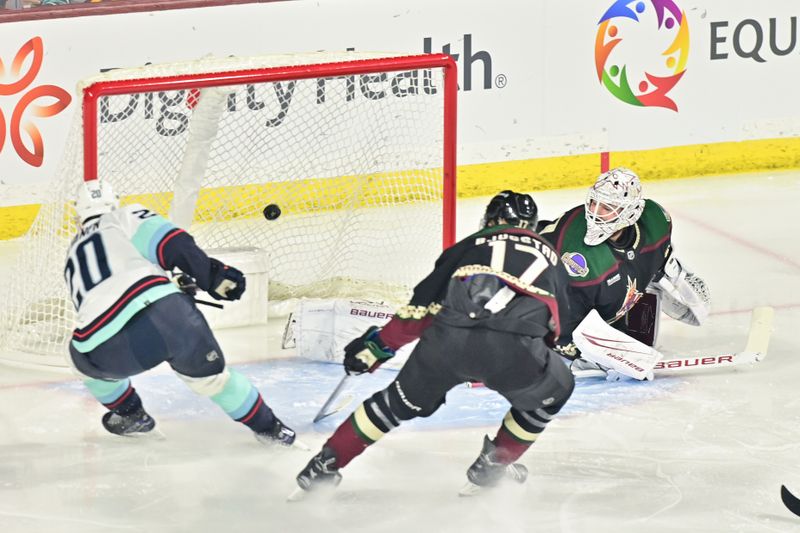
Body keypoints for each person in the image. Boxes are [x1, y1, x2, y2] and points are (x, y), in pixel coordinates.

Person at [292, 190, 575, 496]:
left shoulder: (467, 246)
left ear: (490, 221)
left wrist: (377, 346)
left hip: (448, 342)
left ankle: (324, 465)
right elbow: (557, 324)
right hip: (513, 350)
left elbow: (422, 308)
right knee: (555, 393)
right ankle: (493, 466)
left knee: (393, 404)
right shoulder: (551, 256)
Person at [65, 179, 297, 445]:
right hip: (169, 318)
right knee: (215, 381)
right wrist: (211, 275)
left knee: (80, 360)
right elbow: (173, 245)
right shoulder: (123, 216)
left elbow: (106, 295)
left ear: (79, 213)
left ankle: (131, 414)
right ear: (114, 201)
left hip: (105, 345)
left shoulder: (72, 253)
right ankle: (274, 431)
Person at [537, 167, 710, 367]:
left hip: (604, 303)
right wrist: (588, 355)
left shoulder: (655, 220)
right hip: (549, 293)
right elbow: (560, 325)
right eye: (593, 202)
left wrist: (674, 274)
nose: (594, 212)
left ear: (630, 212)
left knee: (641, 341)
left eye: (607, 207)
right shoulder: (579, 259)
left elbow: (659, 257)